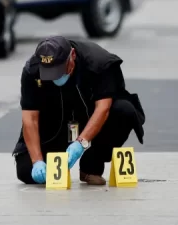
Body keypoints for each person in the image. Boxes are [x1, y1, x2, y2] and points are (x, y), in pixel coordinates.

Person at [15, 36, 146, 186]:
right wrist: (37, 160)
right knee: (25, 171)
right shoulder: (32, 70)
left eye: (59, 70)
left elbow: (103, 108)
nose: (55, 77)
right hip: (54, 123)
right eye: (49, 73)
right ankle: (53, 166)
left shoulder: (98, 62)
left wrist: (80, 143)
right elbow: (29, 118)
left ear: (73, 56)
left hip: (89, 119)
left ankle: (90, 167)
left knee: (124, 111)